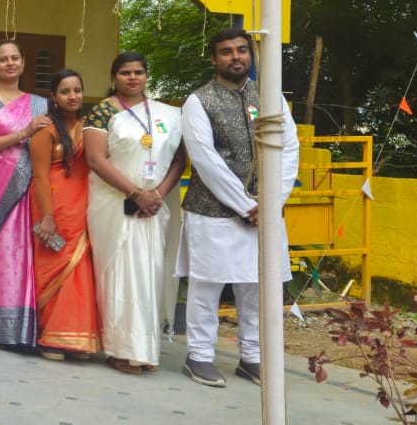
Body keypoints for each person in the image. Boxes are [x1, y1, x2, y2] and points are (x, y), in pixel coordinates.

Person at [178, 29, 300, 387]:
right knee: (207, 286)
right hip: (213, 211)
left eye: (242, 50)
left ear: (251, 54)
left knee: (258, 287)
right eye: (227, 51)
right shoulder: (198, 101)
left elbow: (289, 147)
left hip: (265, 212)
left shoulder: (271, 96)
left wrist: (272, 201)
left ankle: (253, 358)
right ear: (214, 59)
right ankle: (199, 356)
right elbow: (205, 159)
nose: (236, 57)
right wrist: (247, 205)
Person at [83, 51, 188, 374]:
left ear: (146, 75)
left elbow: (179, 160)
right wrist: (136, 193)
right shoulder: (103, 111)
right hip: (114, 206)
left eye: (138, 72)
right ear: (113, 77)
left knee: (149, 274)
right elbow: (95, 159)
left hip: (154, 207)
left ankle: (144, 350)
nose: (132, 78)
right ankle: (119, 349)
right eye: (125, 72)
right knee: (119, 274)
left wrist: (157, 194)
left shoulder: (166, 113)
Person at [0, 40, 50, 349]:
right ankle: (2, 329)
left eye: (15, 58)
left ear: (23, 62)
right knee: (5, 250)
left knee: (29, 251)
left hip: (32, 183)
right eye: (3, 59)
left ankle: (29, 328)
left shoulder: (39, 103)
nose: (9, 63)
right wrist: (23, 133)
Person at [29, 70, 101, 359]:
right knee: (53, 266)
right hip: (53, 204)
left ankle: (76, 337)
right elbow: (39, 176)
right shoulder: (45, 130)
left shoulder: (90, 127)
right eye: (65, 91)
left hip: (83, 203)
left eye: (77, 90)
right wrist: (47, 216)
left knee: (79, 269)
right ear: (53, 97)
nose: (73, 96)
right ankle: (50, 337)